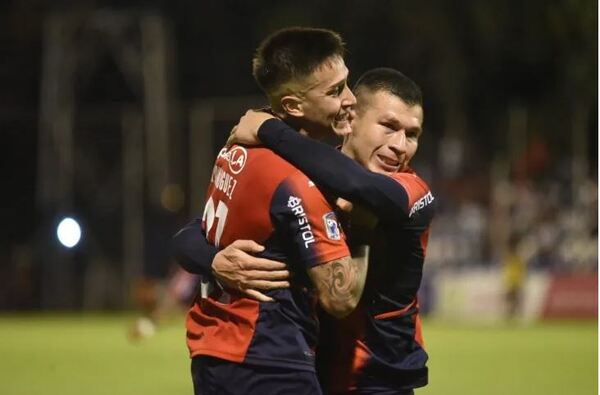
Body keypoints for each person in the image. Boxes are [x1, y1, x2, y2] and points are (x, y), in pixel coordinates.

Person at [213, 67, 436, 394]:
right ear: (350, 120)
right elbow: (192, 234)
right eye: (388, 127)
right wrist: (213, 261)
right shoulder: (305, 182)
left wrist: (269, 128)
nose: (400, 146)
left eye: (412, 134)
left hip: (380, 380)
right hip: (310, 372)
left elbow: (358, 186)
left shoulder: (413, 193)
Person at [177, 27, 370, 395]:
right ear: (293, 106)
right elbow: (339, 296)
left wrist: (210, 258)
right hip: (267, 357)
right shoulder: (296, 180)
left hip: (216, 350)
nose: (349, 99)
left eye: (346, 84)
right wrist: (363, 227)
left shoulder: (237, 149)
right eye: (333, 92)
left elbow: (198, 231)